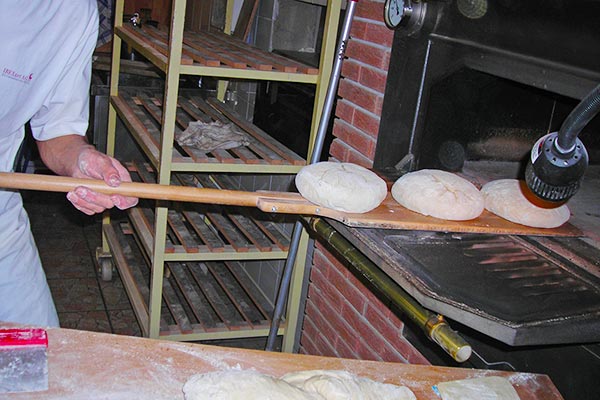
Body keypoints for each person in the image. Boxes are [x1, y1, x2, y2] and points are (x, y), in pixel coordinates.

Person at [0, 0, 138, 326]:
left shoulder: (74, 11)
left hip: (1, 216)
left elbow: (58, 131)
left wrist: (81, 161)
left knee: (35, 357)